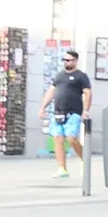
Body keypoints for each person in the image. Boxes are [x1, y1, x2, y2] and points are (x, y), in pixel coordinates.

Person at [40, 48, 93, 178]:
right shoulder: (59, 76)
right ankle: (62, 168)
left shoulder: (81, 76)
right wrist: (42, 107)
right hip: (59, 111)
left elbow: (88, 93)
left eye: (69, 60)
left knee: (71, 138)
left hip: (74, 112)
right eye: (64, 60)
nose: (66, 62)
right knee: (58, 138)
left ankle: (84, 159)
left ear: (75, 61)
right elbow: (51, 91)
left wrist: (85, 110)